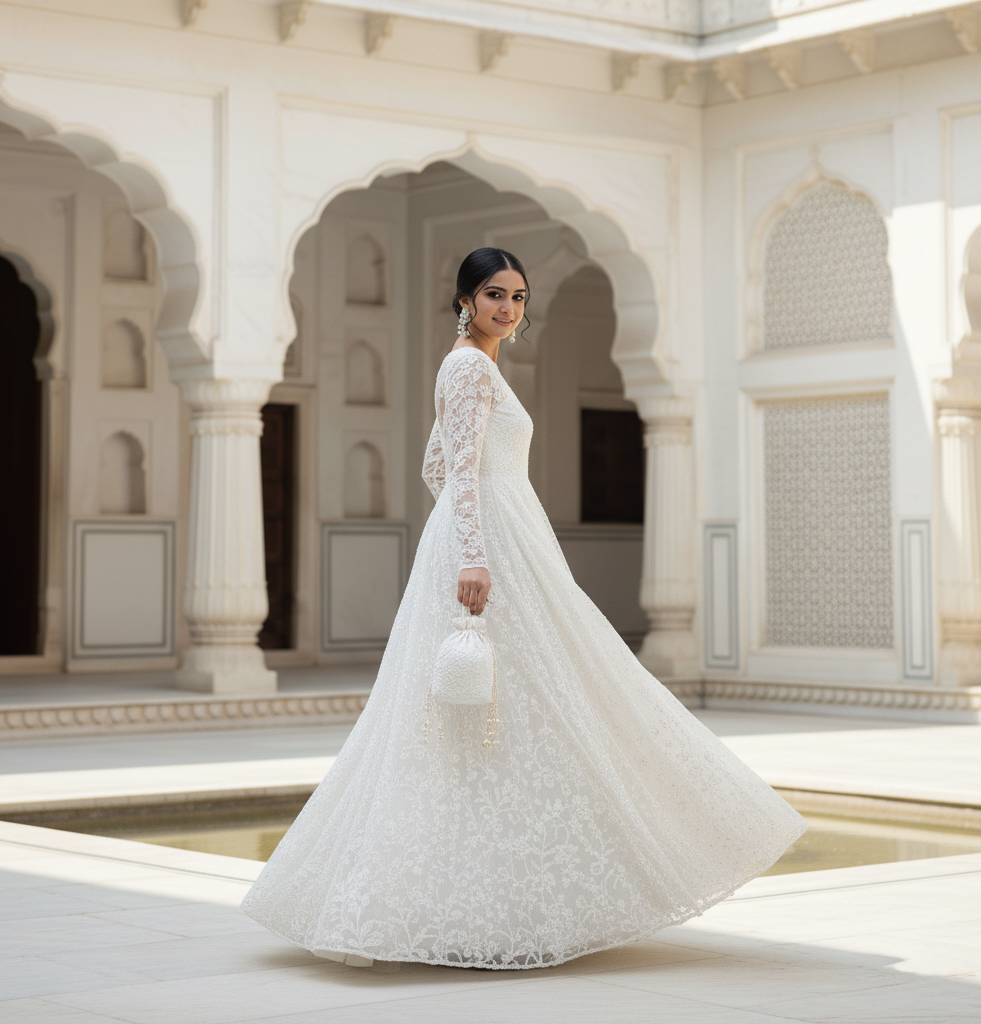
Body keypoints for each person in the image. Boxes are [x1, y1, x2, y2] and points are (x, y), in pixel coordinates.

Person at [241, 247, 806, 970]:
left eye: (517, 296)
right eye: (492, 295)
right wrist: (473, 551)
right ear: (465, 301)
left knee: (525, 702)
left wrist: (463, 531)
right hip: (492, 545)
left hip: (494, 534)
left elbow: (435, 467)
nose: (507, 308)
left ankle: (490, 897)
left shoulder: (470, 364)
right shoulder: (471, 366)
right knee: (529, 697)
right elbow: (463, 470)